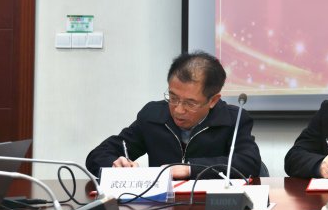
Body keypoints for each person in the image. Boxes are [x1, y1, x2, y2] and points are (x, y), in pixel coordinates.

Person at [86, 51, 262, 180]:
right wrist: (116, 165)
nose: (178, 110)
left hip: (212, 209)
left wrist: (189, 169)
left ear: (213, 100)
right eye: (173, 98)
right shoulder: (152, 116)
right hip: (162, 209)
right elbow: (97, 155)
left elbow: (249, 162)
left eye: (190, 103)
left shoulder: (232, 120)